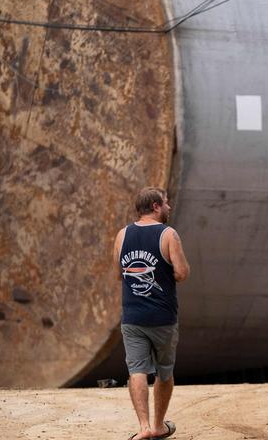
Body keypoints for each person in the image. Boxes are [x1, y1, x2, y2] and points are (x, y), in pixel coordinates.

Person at [112, 187, 190, 440]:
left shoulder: (122, 235)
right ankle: (158, 426)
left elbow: (119, 275)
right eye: (166, 203)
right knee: (164, 372)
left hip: (132, 318)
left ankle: (143, 426)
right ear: (156, 206)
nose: (168, 207)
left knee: (136, 370)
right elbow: (181, 273)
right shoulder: (168, 234)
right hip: (162, 318)